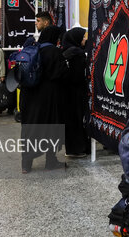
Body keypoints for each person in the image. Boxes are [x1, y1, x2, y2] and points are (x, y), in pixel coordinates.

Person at [19, 24, 68, 173]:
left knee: (30, 129)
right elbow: (61, 74)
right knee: (51, 128)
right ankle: (50, 161)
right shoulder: (54, 52)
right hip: (48, 97)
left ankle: (26, 165)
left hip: (29, 96)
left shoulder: (34, 50)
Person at [61, 27, 89, 157]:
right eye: (83, 37)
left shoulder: (65, 51)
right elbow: (78, 76)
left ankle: (72, 148)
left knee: (71, 120)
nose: (85, 39)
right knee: (77, 119)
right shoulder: (77, 53)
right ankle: (78, 149)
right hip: (76, 92)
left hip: (66, 92)